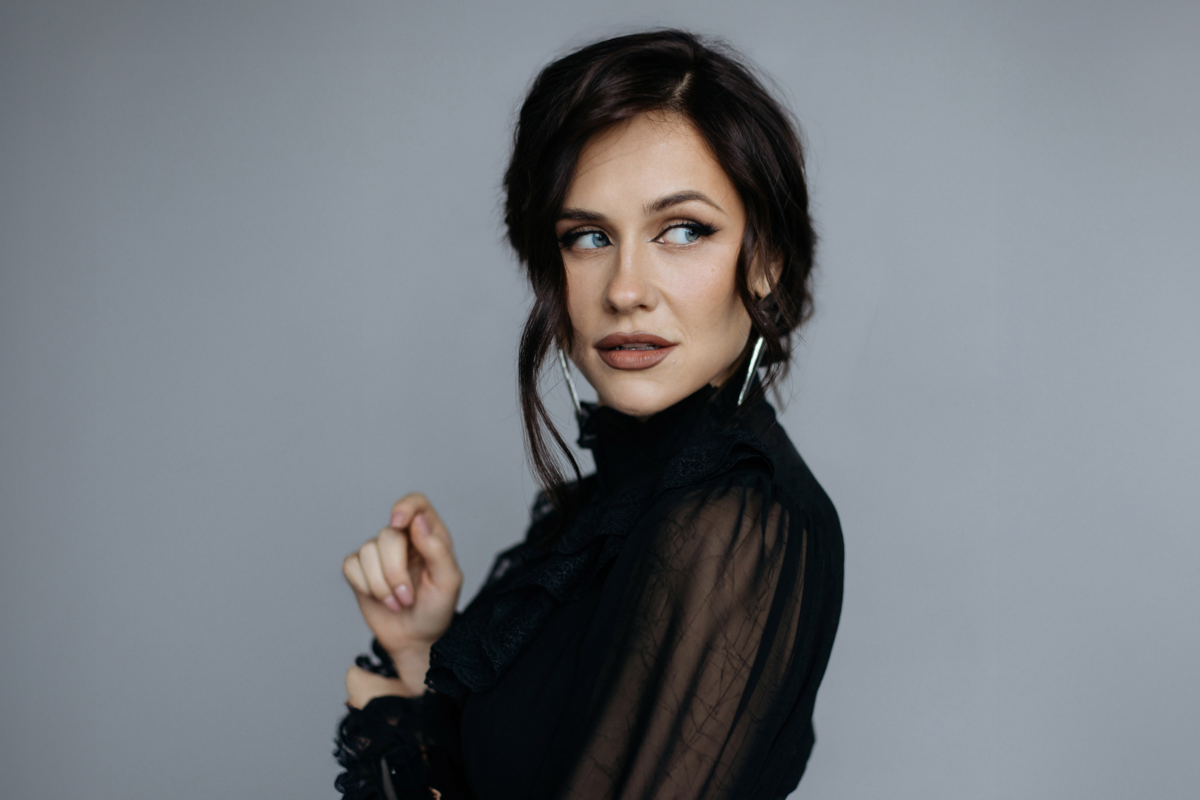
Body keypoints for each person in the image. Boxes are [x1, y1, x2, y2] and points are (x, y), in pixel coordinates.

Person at [333, 29, 844, 800]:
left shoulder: (733, 522)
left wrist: (395, 724)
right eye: (589, 237)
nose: (625, 289)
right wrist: (418, 650)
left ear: (766, 258)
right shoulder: (621, 502)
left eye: (684, 230)